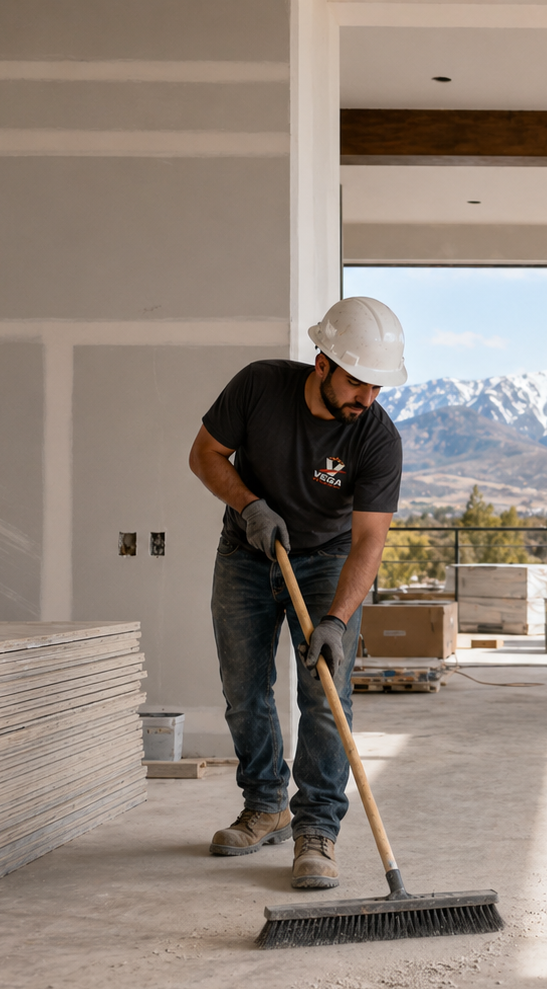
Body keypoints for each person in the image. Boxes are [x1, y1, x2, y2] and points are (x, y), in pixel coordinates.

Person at [187, 297, 405, 889]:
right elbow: (204, 454)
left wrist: (336, 618)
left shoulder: (377, 438)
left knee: (326, 693)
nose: (368, 398)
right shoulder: (259, 386)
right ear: (323, 364)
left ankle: (317, 830)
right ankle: (266, 806)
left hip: (329, 559)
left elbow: (368, 543)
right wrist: (249, 505)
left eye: (379, 387)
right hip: (247, 550)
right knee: (243, 688)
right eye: (358, 382)